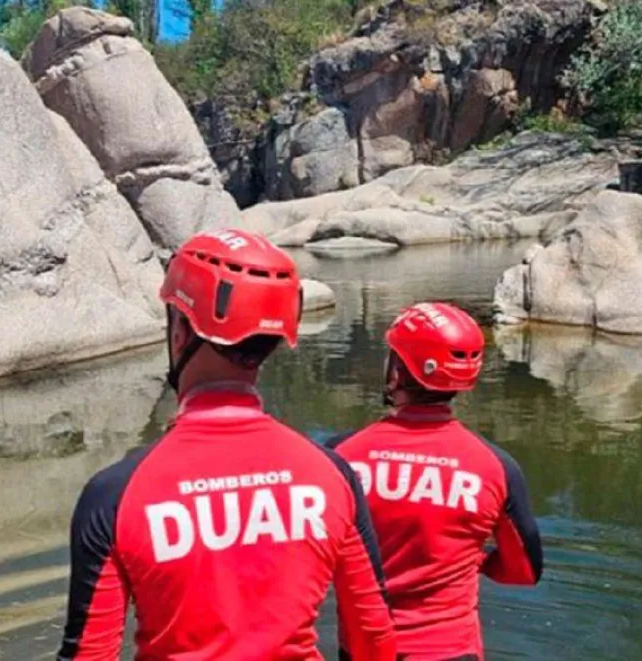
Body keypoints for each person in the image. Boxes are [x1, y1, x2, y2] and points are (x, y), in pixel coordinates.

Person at [57, 229, 396, 661]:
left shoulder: (116, 494)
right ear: (274, 340)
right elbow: (373, 637)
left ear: (180, 332)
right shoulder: (332, 475)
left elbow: (88, 655)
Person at [327, 302, 544, 661]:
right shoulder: (496, 468)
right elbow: (524, 571)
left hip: (364, 648)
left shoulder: (340, 456)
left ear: (397, 371)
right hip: (452, 650)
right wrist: (475, 560)